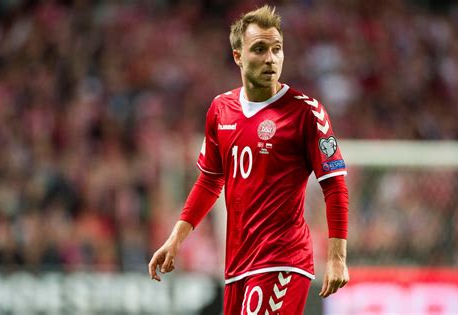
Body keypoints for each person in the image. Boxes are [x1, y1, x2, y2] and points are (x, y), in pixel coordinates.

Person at [149, 5, 350, 314]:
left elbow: (335, 185)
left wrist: (337, 258)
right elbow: (210, 180)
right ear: (238, 56)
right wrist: (176, 239)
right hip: (237, 266)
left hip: (283, 260)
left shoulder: (306, 112)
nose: (271, 58)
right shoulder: (220, 109)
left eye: (277, 49)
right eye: (259, 49)